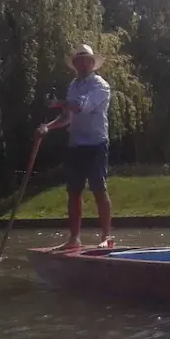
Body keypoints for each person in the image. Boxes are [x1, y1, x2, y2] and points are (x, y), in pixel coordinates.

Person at [36, 44, 113, 250]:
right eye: (78, 61)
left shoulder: (100, 86)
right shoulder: (73, 86)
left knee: (98, 188)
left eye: (85, 61)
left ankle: (106, 236)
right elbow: (67, 117)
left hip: (96, 143)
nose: (81, 65)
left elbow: (81, 107)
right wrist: (48, 127)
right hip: (76, 144)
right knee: (74, 192)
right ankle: (74, 238)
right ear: (75, 65)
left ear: (92, 63)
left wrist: (58, 102)